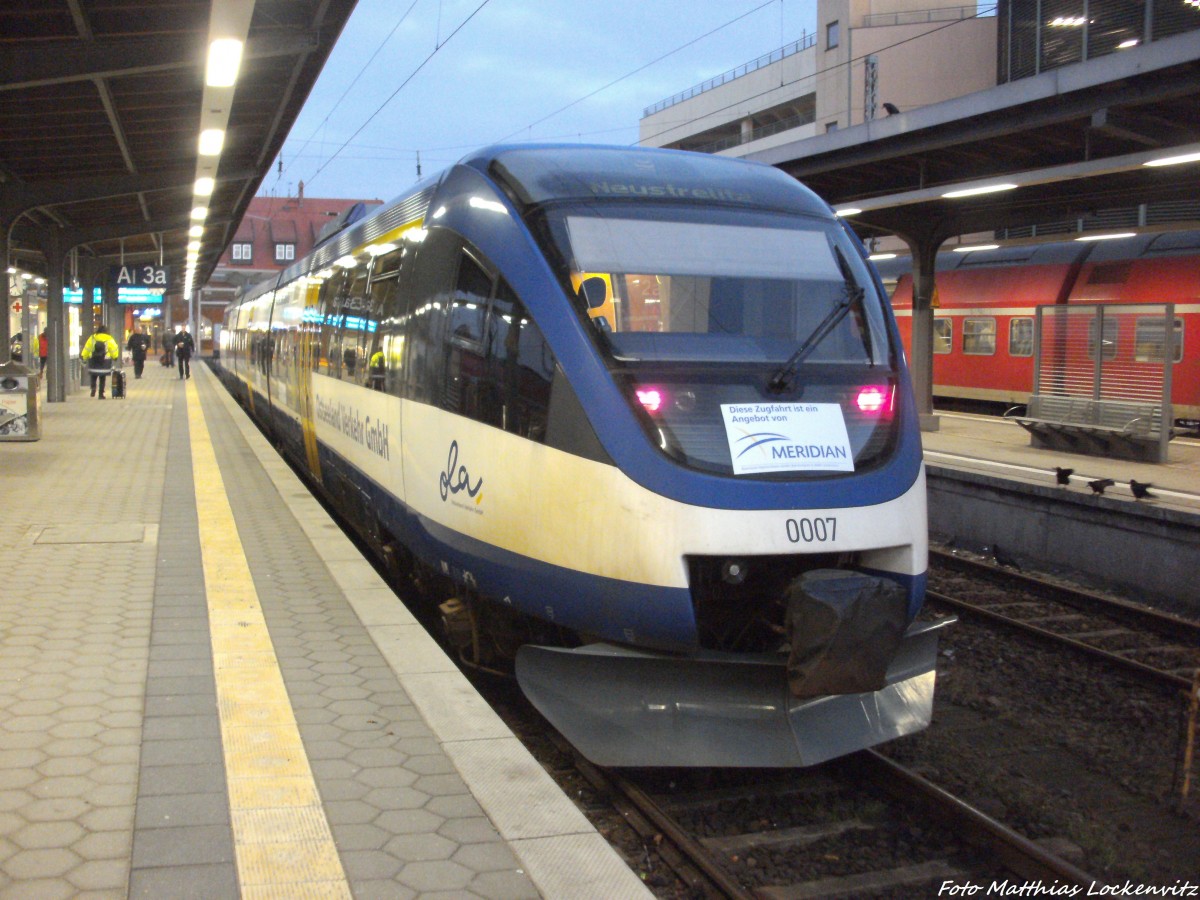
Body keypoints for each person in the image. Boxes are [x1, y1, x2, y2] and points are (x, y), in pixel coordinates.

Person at [81, 324, 120, 399]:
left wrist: (84, 356)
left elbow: (87, 348)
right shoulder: (109, 338)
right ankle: (101, 394)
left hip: (93, 359)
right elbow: (113, 348)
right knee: (102, 378)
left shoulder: (92, 338)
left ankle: (93, 388)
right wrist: (115, 357)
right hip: (105, 360)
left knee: (94, 375)